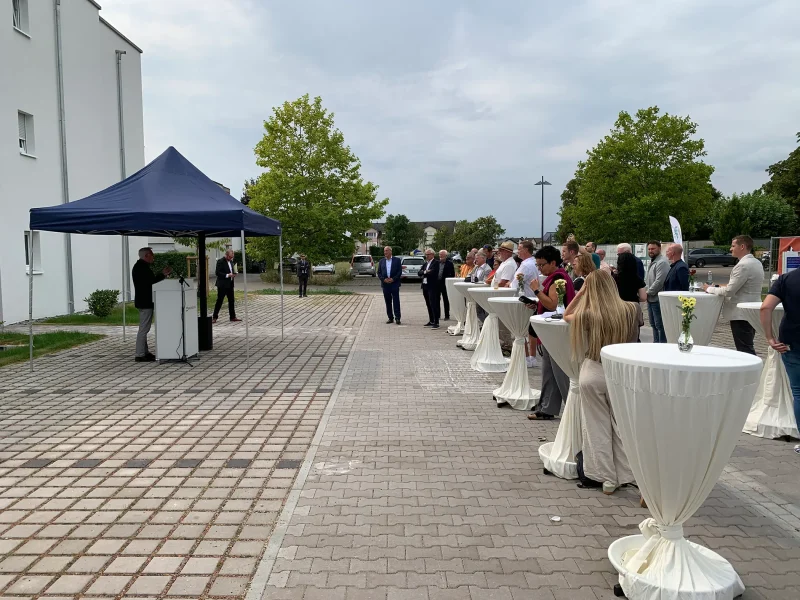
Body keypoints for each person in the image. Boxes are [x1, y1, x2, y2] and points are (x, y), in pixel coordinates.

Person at [564, 270, 639, 494]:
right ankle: (629, 473)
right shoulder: (631, 309)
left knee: (596, 427)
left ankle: (607, 478)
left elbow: (567, 314)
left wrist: (582, 291)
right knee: (622, 426)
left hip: (594, 369)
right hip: (621, 373)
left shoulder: (589, 314)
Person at [527, 245, 576, 420]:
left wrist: (536, 291)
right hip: (553, 330)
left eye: (542, 265)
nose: (540, 269)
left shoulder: (557, 279)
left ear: (553, 262)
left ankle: (572, 408)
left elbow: (554, 305)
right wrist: (536, 303)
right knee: (550, 371)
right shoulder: (558, 277)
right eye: (538, 265)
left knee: (559, 372)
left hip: (556, 332)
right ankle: (547, 407)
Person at [704, 235, 764, 355]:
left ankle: (750, 373)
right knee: (746, 346)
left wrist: (709, 289)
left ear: (742, 246)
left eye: (733, 245)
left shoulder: (742, 265)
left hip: (740, 314)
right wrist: (720, 286)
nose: (730, 249)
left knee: (745, 350)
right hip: (752, 311)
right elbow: (742, 286)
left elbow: (729, 291)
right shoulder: (756, 262)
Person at [761, 268, 800, 452]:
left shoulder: (786, 279)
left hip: (793, 341)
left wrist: (769, 337)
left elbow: (766, 307)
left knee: (799, 393)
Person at [131, 247, 171, 362]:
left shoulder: (142, 266)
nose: (153, 257)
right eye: (152, 254)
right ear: (146, 256)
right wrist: (162, 274)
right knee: (144, 328)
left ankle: (145, 352)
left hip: (145, 300)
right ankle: (139, 354)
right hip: (145, 301)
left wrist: (162, 275)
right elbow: (151, 283)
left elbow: (150, 282)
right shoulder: (141, 268)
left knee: (144, 328)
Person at [644, 241, 670, 343]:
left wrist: (647, 293)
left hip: (657, 299)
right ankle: (656, 344)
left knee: (660, 325)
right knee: (653, 324)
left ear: (659, 248)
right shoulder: (654, 261)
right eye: (649, 249)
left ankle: (662, 345)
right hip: (651, 299)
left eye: (653, 249)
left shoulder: (662, 262)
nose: (650, 251)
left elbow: (659, 281)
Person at [213, 249, 242, 323]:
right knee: (219, 300)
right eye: (230, 257)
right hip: (222, 284)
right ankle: (214, 317)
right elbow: (217, 272)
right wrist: (227, 275)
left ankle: (232, 316)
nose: (231, 258)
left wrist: (235, 273)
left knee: (231, 300)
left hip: (230, 284)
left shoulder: (231, 262)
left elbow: (233, 270)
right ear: (226, 255)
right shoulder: (220, 261)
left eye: (232, 257)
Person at [377, 246, 402, 325]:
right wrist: (383, 279)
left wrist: (393, 279)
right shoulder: (381, 261)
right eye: (384, 251)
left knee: (396, 301)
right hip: (385, 284)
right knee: (388, 301)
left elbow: (399, 272)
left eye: (387, 251)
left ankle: (397, 317)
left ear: (391, 252)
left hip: (394, 284)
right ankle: (390, 317)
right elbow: (379, 272)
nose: (385, 252)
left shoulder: (397, 260)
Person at [436, 250, 456, 322]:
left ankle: (447, 315)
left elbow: (453, 274)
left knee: (446, 300)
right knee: (437, 299)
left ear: (446, 256)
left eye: (442, 255)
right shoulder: (437, 263)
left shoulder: (449, 264)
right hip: (437, 283)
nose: (440, 256)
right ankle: (437, 315)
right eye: (440, 255)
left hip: (445, 283)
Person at [420, 248, 438, 327]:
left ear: (432, 255)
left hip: (432, 286)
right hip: (425, 285)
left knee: (433, 303)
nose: (427, 256)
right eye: (426, 254)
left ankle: (436, 322)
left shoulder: (436, 263)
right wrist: (425, 272)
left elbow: (433, 272)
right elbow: (419, 272)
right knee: (428, 303)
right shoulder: (425, 264)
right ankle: (431, 320)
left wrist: (426, 272)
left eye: (428, 254)